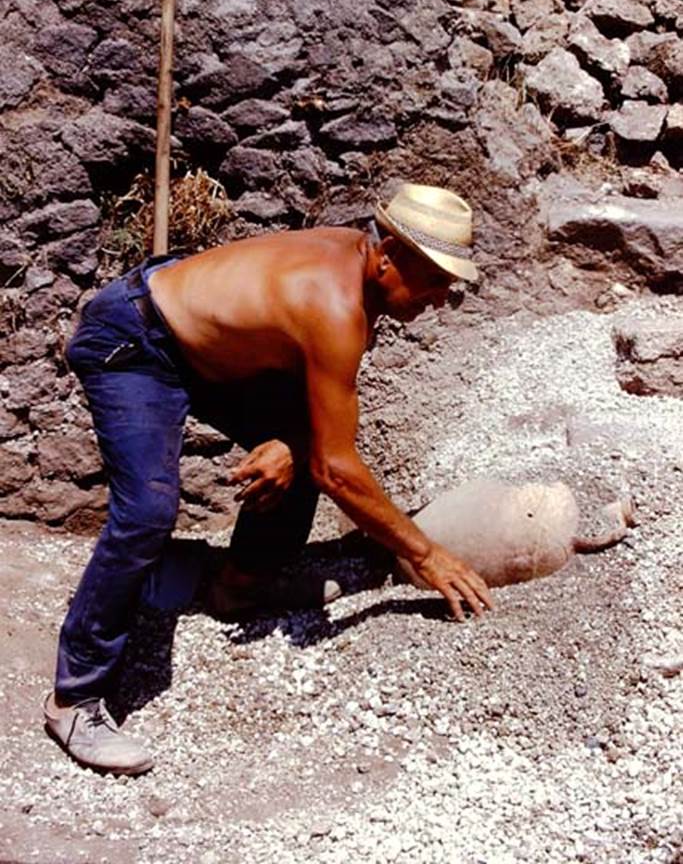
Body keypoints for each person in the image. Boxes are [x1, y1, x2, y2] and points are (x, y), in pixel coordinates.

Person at [43, 182, 493, 775]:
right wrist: (425, 554)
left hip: (205, 343)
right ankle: (74, 698)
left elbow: (326, 444)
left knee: (299, 456)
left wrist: (292, 443)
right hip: (135, 340)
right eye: (435, 279)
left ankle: (235, 587)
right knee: (147, 511)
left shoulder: (355, 276)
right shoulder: (332, 306)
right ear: (387, 257)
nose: (440, 297)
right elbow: (339, 469)